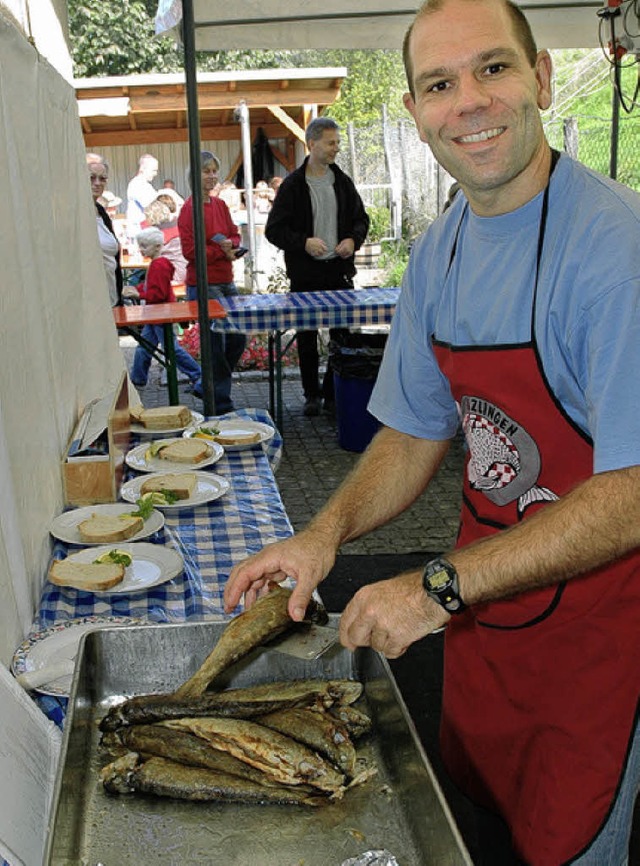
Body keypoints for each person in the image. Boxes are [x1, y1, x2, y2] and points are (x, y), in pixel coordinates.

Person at [224, 2, 640, 864]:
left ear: (542, 78)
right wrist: (321, 536)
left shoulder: (614, 250)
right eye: (440, 84)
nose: (471, 103)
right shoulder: (444, 248)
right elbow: (413, 434)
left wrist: (435, 589)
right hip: (482, 632)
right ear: (415, 112)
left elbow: (634, 493)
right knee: (479, 827)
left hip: (597, 639)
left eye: (494, 69)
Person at [265, 117, 370, 416]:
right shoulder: (293, 185)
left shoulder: (343, 182)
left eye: (337, 142)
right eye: (331, 142)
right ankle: (311, 395)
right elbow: (274, 230)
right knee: (307, 337)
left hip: (338, 272)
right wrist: (303, 242)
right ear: (312, 144)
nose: (336, 148)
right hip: (305, 274)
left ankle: (333, 392)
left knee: (341, 336)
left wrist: (353, 239)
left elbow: (362, 219)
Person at [177, 151, 246, 414]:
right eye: (206, 171)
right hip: (204, 284)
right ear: (195, 175)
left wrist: (234, 247)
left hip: (226, 279)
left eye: (215, 171)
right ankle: (220, 405)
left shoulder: (220, 205)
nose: (212, 176)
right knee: (215, 345)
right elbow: (190, 251)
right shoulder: (188, 209)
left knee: (238, 337)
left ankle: (208, 384)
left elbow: (234, 234)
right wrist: (221, 251)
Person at [129, 227, 201, 391]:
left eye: (144, 246)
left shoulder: (158, 265)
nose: (141, 249)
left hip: (160, 312)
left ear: (156, 247)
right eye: (141, 245)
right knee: (145, 346)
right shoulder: (159, 264)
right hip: (156, 312)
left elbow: (158, 293)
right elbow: (154, 287)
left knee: (170, 348)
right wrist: (140, 290)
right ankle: (137, 379)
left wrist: (139, 294)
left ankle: (197, 373)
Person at [86, 153, 123, 307]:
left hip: (109, 297)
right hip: (89, 302)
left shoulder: (102, 212)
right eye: (91, 177)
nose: (97, 183)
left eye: (103, 179)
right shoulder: (72, 214)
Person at [126, 154, 159, 238]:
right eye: (153, 170)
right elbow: (152, 206)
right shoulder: (138, 184)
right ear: (143, 169)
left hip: (144, 232)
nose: (155, 174)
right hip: (139, 232)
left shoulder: (145, 185)